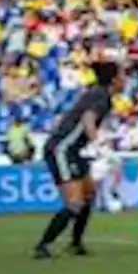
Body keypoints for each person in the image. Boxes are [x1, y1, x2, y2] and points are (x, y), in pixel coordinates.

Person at [33, 61, 124, 259]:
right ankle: (43, 245)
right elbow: (88, 119)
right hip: (62, 149)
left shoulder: (97, 93)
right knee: (75, 202)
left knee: (89, 195)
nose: (125, 80)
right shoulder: (100, 95)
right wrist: (98, 147)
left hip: (73, 150)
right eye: (123, 75)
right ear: (115, 79)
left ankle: (75, 244)